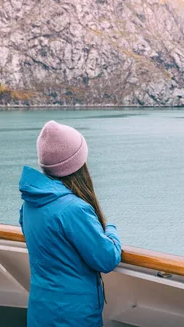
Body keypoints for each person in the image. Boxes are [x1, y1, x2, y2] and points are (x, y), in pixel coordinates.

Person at [19, 120, 121, 327]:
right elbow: (107, 258)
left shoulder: (30, 204)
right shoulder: (73, 210)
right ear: (78, 164)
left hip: (41, 311)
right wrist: (110, 229)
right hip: (72, 316)